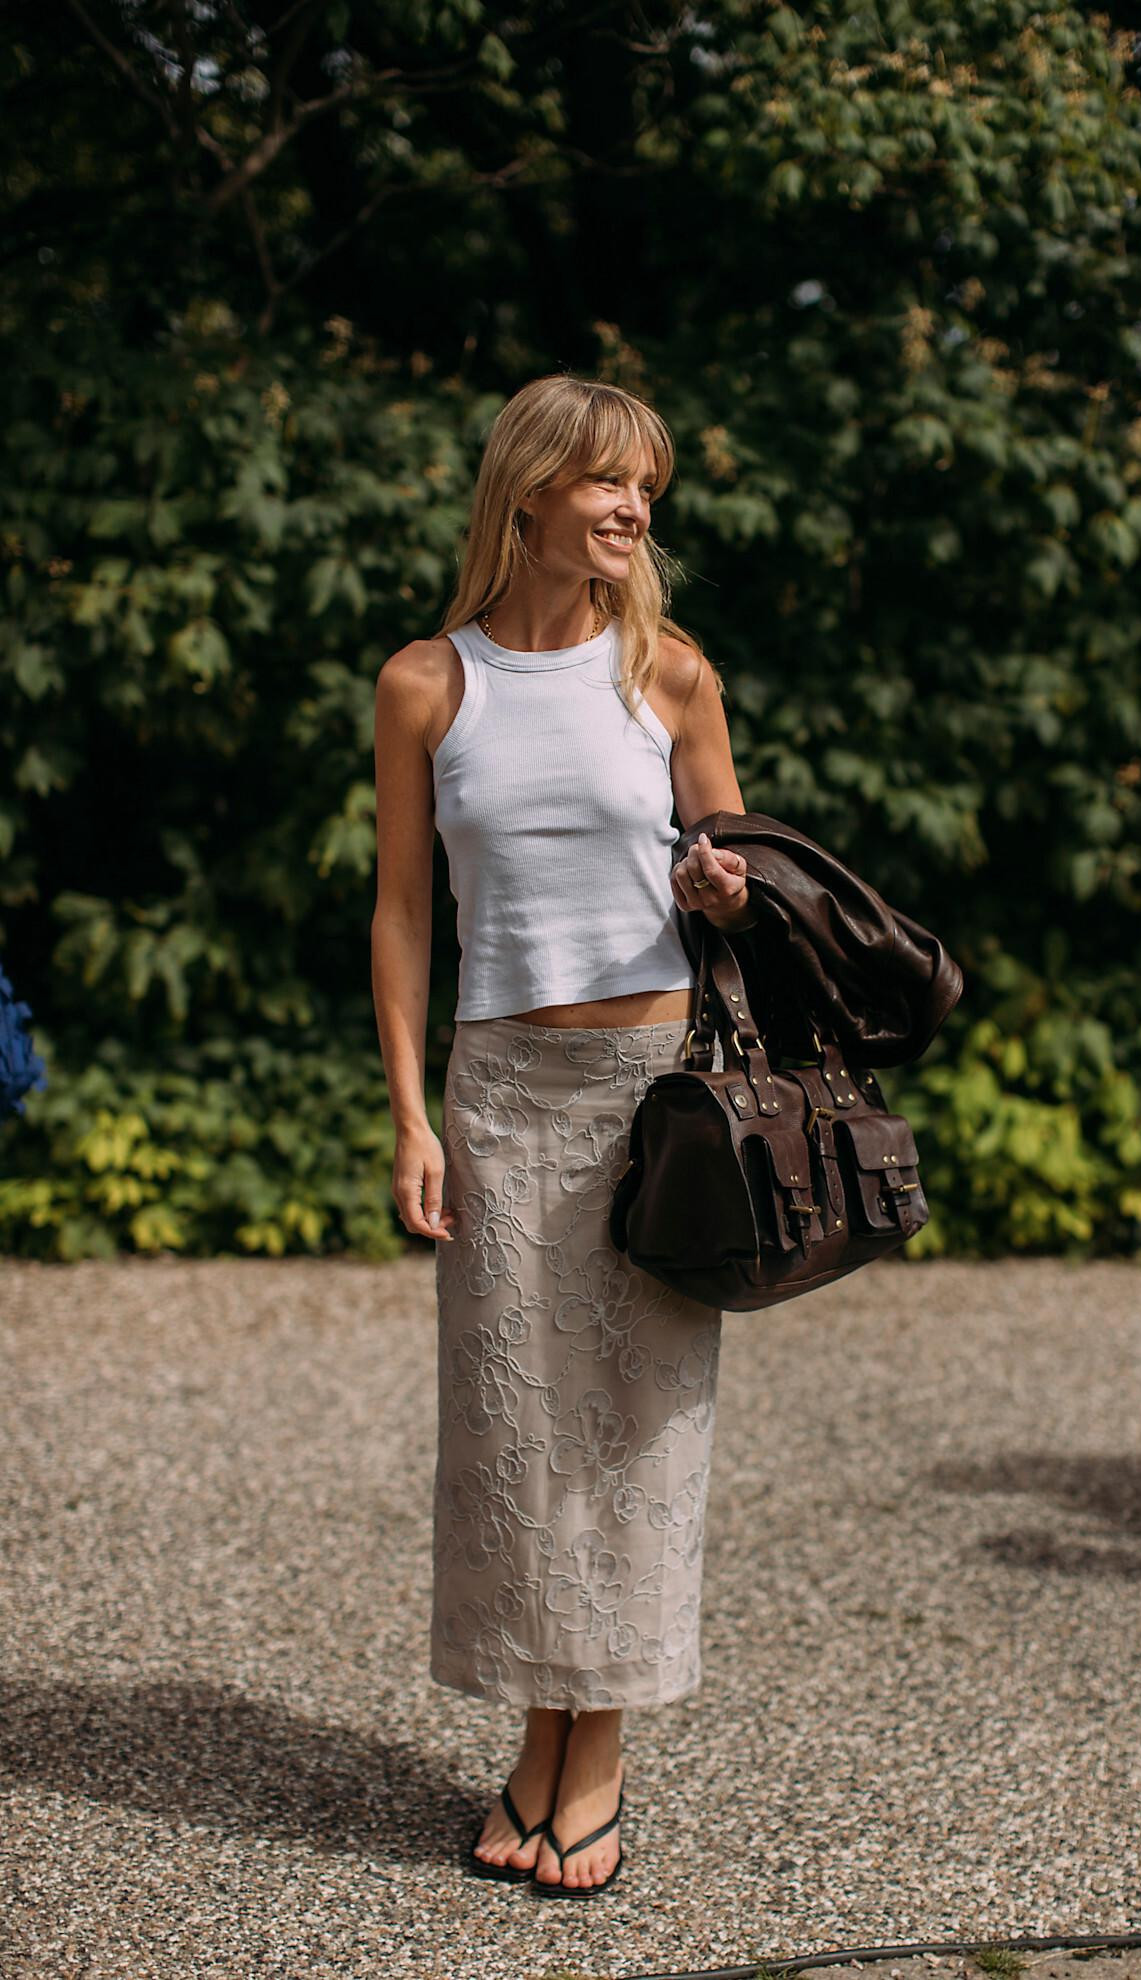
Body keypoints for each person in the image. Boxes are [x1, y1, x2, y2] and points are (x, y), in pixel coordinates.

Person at [370, 374, 758, 1897]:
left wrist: (720, 887)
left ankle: (594, 1759)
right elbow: (405, 912)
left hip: (655, 1097)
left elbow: (743, 876)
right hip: (499, 1097)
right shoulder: (428, 684)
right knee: (518, 1433)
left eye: (647, 486)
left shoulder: (668, 673)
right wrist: (411, 1114)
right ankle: (539, 1736)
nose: (633, 508)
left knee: (638, 1431)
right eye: (607, 480)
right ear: (529, 491)